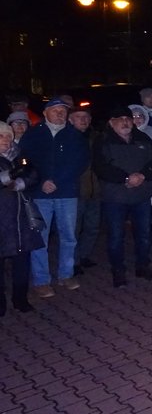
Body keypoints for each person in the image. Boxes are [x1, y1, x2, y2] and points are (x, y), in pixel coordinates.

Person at [19, 97, 89, 297]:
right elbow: (25, 162)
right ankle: (41, 280)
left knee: (68, 236)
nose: (60, 113)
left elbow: (80, 162)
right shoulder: (33, 135)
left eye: (63, 110)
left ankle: (66, 274)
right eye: (55, 110)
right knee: (40, 238)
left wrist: (58, 181)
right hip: (40, 194)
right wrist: (41, 180)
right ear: (45, 113)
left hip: (66, 193)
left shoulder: (74, 136)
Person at [92, 106, 152, 287]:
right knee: (116, 236)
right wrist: (125, 178)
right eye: (120, 118)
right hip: (116, 198)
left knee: (144, 234)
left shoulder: (143, 139)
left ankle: (142, 266)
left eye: (128, 118)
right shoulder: (103, 141)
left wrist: (143, 175)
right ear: (111, 122)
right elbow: (101, 167)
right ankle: (118, 271)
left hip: (141, 195)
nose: (125, 122)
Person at [0, 121, 41, 315]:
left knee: (22, 259)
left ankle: (20, 299)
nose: (6, 139)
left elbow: (33, 173)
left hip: (20, 217)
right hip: (1, 218)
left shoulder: (19, 155)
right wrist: (10, 176)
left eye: (8, 135)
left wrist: (21, 183)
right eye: (1, 136)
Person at [68, 106, 102, 275]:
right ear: (70, 119)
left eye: (86, 117)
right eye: (78, 116)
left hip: (95, 189)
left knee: (92, 226)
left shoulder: (96, 137)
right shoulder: (66, 138)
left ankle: (83, 255)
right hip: (76, 191)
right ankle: (73, 261)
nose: (83, 120)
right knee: (74, 228)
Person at [130, 104, 152, 253]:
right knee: (140, 217)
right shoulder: (125, 134)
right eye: (134, 116)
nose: (137, 120)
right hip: (135, 181)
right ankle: (142, 243)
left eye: (140, 116)